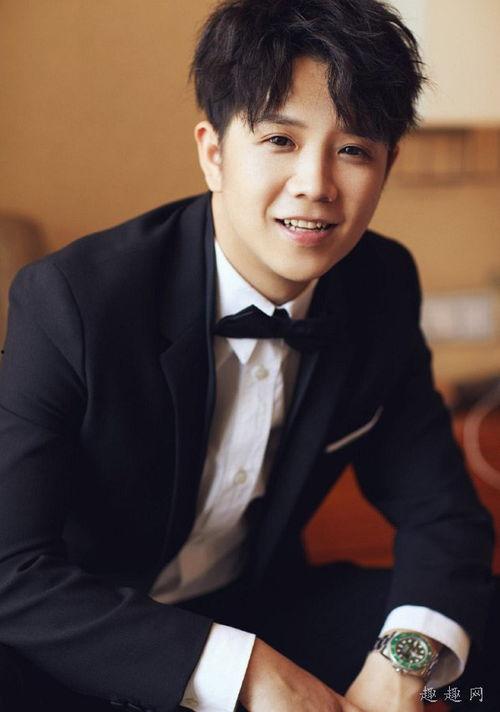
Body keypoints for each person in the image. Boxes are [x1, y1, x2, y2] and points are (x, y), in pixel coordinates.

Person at [0, 1, 495, 711]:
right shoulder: (73, 299)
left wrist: (402, 665)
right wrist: (249, 675)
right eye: (281, 140)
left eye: (354, 149)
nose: (317, 185)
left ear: (388, 166)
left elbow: (443, 516)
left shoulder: (380, 283)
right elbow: (12, 568)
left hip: (259, 604)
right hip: (93, 632)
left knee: (477, 631)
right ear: (214, 152)